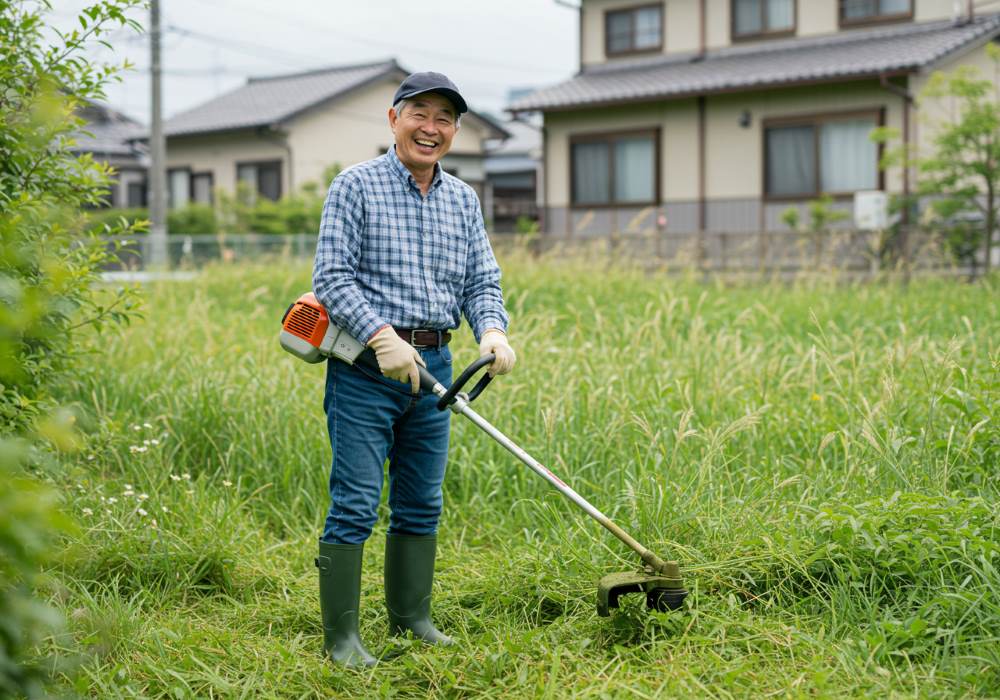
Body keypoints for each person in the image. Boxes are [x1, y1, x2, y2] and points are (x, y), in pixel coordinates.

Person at [311, 71, 516, 668]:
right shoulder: (355, 186)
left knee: (422, 501)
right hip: (367, 368)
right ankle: (343, 641)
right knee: (355, 502)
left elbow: (482, 281)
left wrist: (493, 330)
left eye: (444, 118)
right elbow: (332, 278)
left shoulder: (463, 199)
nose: (431, 128)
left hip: (438, 368)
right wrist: (382, 337)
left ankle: (411, 619)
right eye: (419, 113)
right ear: (394, 118)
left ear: (455, 130)